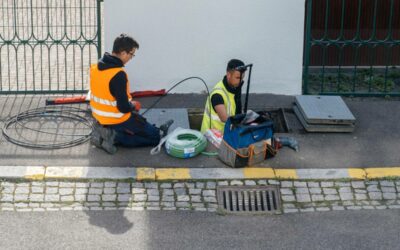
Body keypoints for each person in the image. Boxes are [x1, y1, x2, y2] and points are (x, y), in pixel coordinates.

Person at [90, 34, 173, 154]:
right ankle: (114, 137)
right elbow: (123, 108)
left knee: (139, 125)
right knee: (155, 137)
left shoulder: (95, 67)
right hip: (117, 118)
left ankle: (105, 132)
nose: (131, 58)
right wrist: (133, 105)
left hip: (98, 115)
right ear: (123, 53)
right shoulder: (118, 75)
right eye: (131, 54)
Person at [200, 59, 246, 133]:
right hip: (211, 137)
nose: (240, 81)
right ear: (228, 75)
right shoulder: (217, 94)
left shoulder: (234, 88)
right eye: (237, 78)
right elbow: (224, 118)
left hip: (225, 134)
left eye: (242, 78)